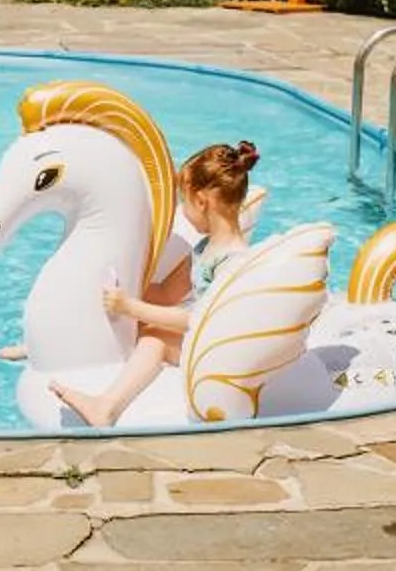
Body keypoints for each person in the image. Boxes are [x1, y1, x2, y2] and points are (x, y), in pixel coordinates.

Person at [51, 140, 261, 429]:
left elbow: (199, 319)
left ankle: (107, 407)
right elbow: (164, 294)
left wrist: (130, 307)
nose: (182, 210)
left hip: (223, 350)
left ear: (201, 201)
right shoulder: (205, 248)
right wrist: (119, 279)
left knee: (154, 338)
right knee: (142, 327)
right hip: (204, 337)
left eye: (183, 201)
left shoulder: (233, 259)